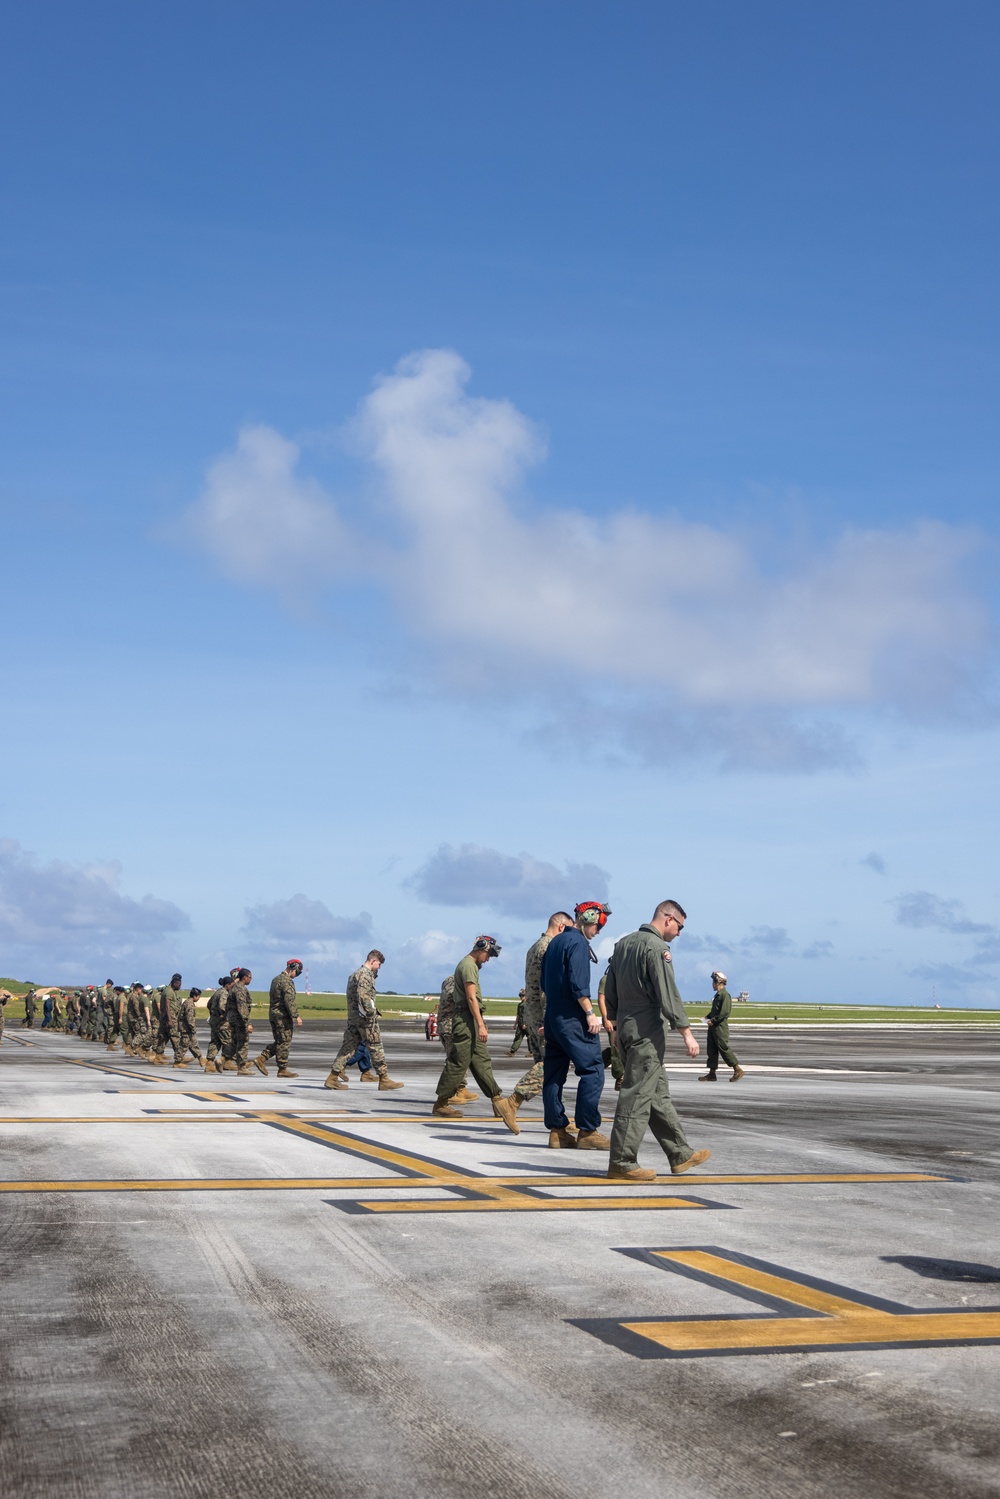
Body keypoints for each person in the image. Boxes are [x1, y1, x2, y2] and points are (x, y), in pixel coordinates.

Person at [604, 900, 711, 1182]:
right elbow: (668, 993)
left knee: (656, 1094)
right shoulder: (657, 949)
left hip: (626, 1028)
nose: (679, 933)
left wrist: (614, 1025)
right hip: (646, 1032)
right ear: (667, 919)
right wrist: (686, 1032)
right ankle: (622, 1162)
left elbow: (610, 988)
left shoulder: (623, 944)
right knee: (637, 1096)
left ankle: (679, 1153)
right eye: (680, 926)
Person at [540, 902, 611, 1150]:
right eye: (599, 924)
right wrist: (590, 1014)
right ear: (588, 918)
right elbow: (579, 985)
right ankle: (588, 1131)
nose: (599, 931)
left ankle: (557, 1131)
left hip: (553, 1019)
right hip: (573, 1020)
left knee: (554, 1074)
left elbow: (544, 983)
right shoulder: (578, 944)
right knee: (593, 1070)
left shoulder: (554, 943)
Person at [432, 937, 519, 1131]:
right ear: (481, 949)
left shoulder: (470, 966)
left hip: (470, 1019)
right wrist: (480, 1025)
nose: (488, 959)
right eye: (488, 954)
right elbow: (471, 998)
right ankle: (441, 1103)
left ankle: (498, 1100)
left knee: (481, 1060)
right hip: (466, 1021)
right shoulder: (468, 966)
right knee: (458, 1062)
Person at [509, 911, 574, 1115]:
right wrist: (551, 1019)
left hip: (532, 1014)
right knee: (551, 1066)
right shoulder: (549, 948)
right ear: (561, 927)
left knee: (548, 1070)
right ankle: (512, 1102)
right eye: (569, 931)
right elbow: (547, 988)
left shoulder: (533, 947)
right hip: (543, 1016)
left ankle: (558, 1118)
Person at [324, 951, 402, 1092]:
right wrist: (370, 1013)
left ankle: (333, 1077)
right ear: (372, 961)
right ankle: (384, 1079)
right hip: (365, 1018)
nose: (379, 967)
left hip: (354, 1018)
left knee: (347, 1048)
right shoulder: (366, 975)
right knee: (376, 1047)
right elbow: (363, 996)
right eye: (378, 964)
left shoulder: (354, 975)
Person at [255, 960, 303, 1078]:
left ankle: (262, 1058)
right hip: (282, 1016)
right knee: (285, 1041)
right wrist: (296, 1015)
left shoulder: (275, 979)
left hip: (274, 1014)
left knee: (280, 1041)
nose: (296, 975)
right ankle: (282, 1069)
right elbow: (289, 1000)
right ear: (293, 968)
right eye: (297, 972)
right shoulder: (287, 982)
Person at [699, 971, 744, 1083]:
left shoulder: (725, 995)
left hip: (719, 1027)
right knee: (712, 1050)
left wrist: (713, 1021)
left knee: (723, 1048)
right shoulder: (717, 995)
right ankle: (712, 1074)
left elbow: (725, 1012)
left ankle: (737, 1069)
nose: (712, 984)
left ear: (718, 982)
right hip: (713, 1027)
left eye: (713, 982)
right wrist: (707, 1017)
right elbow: (715, 1011)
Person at [222, 968, 254, 1075]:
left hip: (233, 1019)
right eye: (250, 977)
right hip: (240, 1020)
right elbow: (242, 1007)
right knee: (243, 1043)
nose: (251, 979)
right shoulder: (240, 989)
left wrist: (229, 1021)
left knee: (235, 1042)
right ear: (245, 977)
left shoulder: (233, 988)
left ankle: (222, 1060)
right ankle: (242, 1067)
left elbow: (228, 1006)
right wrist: (247, 1023)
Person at [598, 970, 624, 1090]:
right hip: (612, 1020)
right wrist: (606, 1019)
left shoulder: (625, 977)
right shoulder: (606, 979)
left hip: (624, 1018)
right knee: (616, 1048)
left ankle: (594, 1065)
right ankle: (620, 1078)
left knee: (622, 1048)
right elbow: (601, 999)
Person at [151, 974, 184, 1065]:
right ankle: (179, 1058)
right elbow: (167, 1006)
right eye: (178, 984)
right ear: (174, 983)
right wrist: (170, 1020)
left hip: (165, 1018)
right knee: (175, 1037)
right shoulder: (169, 992)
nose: (180, 986)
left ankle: (158, 1057)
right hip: (170, 1018)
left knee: (163, 1038)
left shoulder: (169, 990)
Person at [204, 977, 233, 1073]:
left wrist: (213, 1014)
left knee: (215, 1042)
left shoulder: (217, 992)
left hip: (214, 1021)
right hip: (222, 1023)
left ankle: (209, 1063)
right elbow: (222, 1006)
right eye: (232, 985)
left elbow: (209, 1004)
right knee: (229, 1042)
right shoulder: (224, 993)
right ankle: (225, 1061)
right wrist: (226, 1016)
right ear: (228, 985)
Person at [176, 988, 204, 1067]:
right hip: (186, 1028)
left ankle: (200, 1058)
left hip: (186, 1027)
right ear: (195, 996)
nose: (199, 998)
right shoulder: (190, 1004)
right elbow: (189, 1018)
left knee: (193, 1043)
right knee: (184, 1044)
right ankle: (177, 1061)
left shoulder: (188, 1002)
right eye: (198, 996)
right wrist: (193, 1028)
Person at [126, 983, 153, 1058]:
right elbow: (136, 1008)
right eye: (140, 989)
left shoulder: (134, 996)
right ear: (137, 989)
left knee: (132, 1033)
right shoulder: (135, 996)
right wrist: (140, 1016)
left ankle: (133, 1048)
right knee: (140, 1033)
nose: (141, 991)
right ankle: (133, 1048)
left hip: (132, 1017)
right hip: (135, 1018)